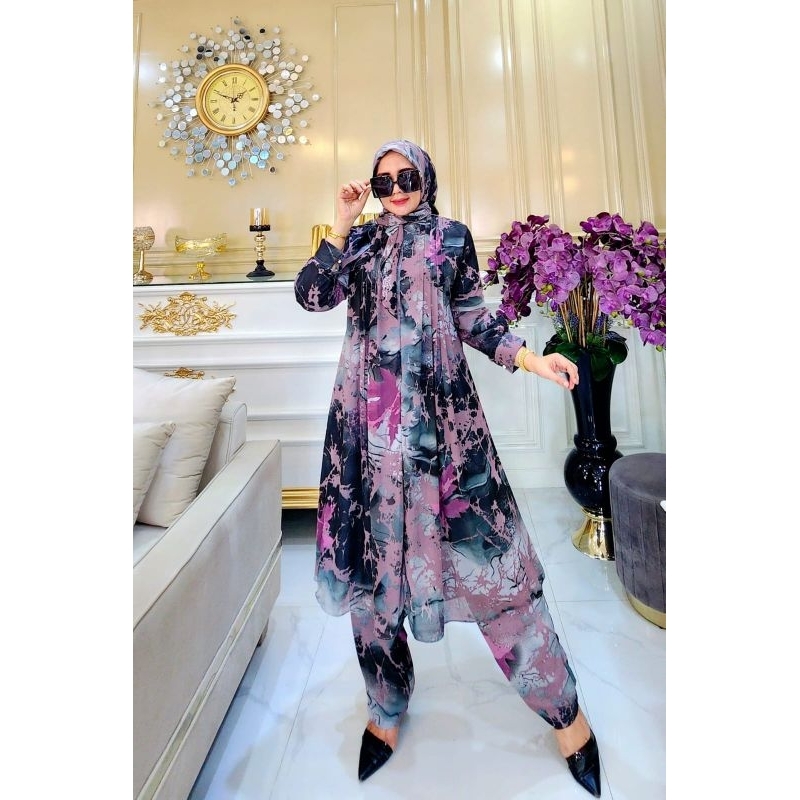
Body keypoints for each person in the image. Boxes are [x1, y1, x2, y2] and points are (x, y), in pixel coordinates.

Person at [294, 139, 602, 797]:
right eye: (383, 182)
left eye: (407, 176)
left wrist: (533, 359)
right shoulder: (359, 243)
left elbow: (474, 320)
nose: (397, 189)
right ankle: (385, 710)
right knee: (372, 583)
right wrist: (341, 224)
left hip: (447, 435)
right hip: (366, 441)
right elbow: (312, 296)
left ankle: (566, 716)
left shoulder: (453, 238)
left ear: (427, 176)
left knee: (495, 571)